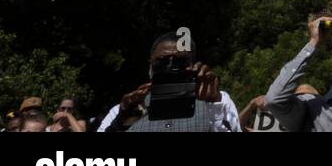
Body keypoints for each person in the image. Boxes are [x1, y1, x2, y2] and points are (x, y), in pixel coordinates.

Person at [100, 33, 241, 132]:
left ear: (194, 65)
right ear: (150, 65)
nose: (170, 67)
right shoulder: (124, 110)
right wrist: (121, 122)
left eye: (180, 61)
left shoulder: (216, 102)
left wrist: (213, 105)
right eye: (162, 61)